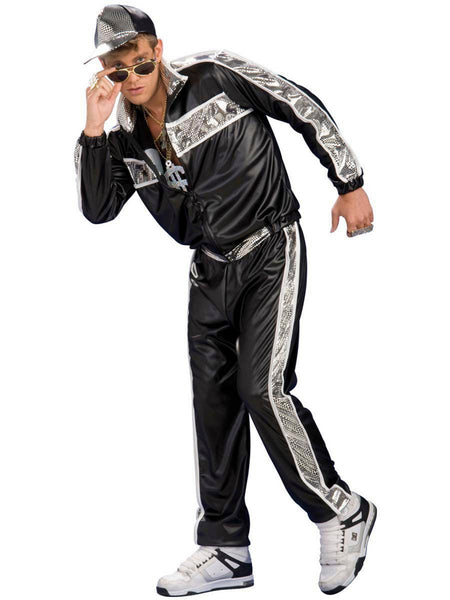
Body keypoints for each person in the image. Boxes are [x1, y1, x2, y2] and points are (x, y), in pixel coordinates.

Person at [74, 4, 377, 596]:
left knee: (261, 388)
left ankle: (341, 510)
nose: (131, 79)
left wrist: (350, 183)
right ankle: (226, 548)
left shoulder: (216, 74)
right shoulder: (123, 137)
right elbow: (97, 209)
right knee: (212, 405)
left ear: (158, 51)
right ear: (105, 72)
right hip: (208, 271)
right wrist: (92, 129)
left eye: (140, 63)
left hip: (270, 248)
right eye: (117, 70)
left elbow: (298, 103)